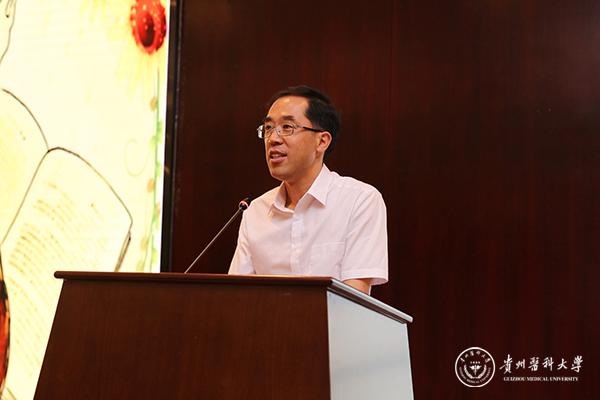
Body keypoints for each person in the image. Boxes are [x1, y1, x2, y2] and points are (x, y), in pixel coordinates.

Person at [229, 86, 388, 294]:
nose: (273, 139)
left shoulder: (359, 201)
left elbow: (354, 301)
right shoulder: (255, 212)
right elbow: (237, 297)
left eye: (287, 127)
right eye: (268, 128)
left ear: (321, 141)